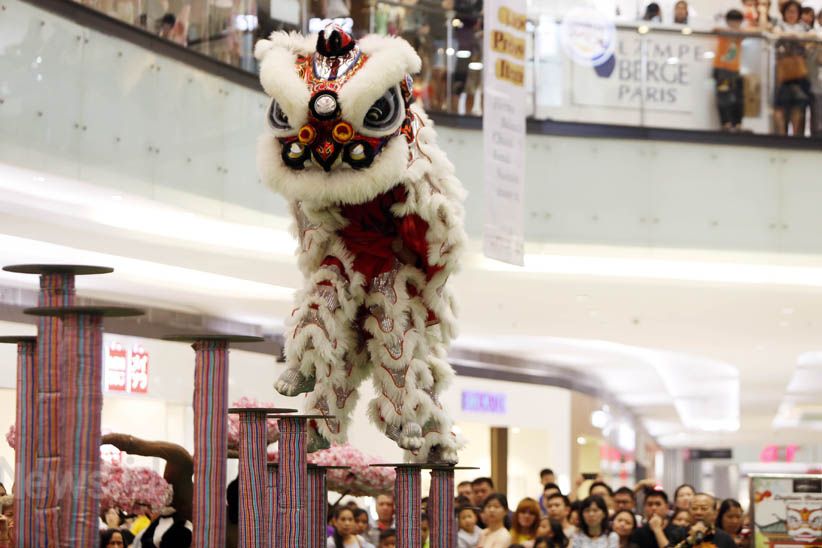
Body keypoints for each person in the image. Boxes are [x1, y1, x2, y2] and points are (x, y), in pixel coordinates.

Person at [774, 0, 812, 135]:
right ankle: (782, 135)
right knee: (779, 106)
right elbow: (776, 36)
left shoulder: (805, 27)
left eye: (794, 11)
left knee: (798, 105)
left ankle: (795, 136)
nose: (791, 14)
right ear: (784, 13)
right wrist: (795, 37)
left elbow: (812, 39)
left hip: (799, 71)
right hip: (782, 71)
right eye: (789, 11)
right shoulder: (779, 25)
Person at [714, 10, 747, 131]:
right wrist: (732, 31)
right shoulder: (723, 31)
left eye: (737, 21)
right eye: (732, 21)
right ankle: (725, 123)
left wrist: (737, 32)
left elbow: (753, 31)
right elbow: (715, 29)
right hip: (721, 69)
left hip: (735, 70)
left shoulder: (740, 34)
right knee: (723, 97)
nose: (735, 24)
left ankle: (737, 124)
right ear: (727, 21)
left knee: (738, 98)